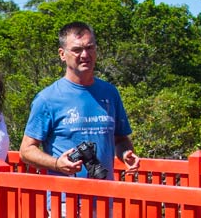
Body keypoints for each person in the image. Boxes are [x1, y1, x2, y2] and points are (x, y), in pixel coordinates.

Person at [19, 22, 139, 177]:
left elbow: (121, 139)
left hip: (104, 197)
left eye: (90, 48)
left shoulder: (110, 93)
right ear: (62, 54)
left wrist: (126, 153)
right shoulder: (48, 98)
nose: (85, 55)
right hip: (64, 197)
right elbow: (26, 150)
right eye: (77, 50)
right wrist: (57, 164)